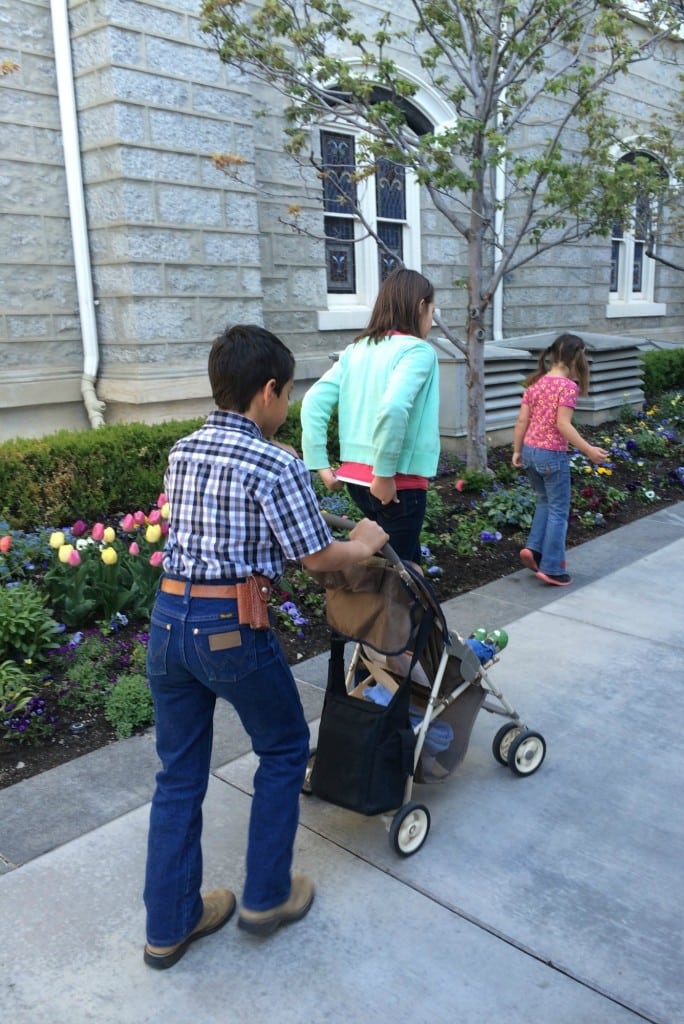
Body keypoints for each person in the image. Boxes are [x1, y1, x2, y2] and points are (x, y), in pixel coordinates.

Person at [142, 324, 388, 970]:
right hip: (229, 627)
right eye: (289, 395)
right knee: (281, 748)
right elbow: (316, 558)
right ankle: (265, 898)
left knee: (178, 775)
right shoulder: (274, 461)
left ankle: (168, 927)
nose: (288, 408)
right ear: (269, 391)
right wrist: (363, 543)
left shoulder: (183, 449)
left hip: (168, 621)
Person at [300, 268, 440, 565]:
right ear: (420, 307)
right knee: (395, 582)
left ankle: (423, 612)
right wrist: (385, 474)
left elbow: (313, 400)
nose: (432, 319)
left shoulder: (355, 350)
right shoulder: (417, 351)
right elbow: (392, 408)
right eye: (432, 311)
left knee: (404, 569)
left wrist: (321, 466)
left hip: (357, 482)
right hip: (397, 484)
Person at [511, 333, 609, 587]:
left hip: (531, 452)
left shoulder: (536, 384)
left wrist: (517, 450)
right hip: (551, 455)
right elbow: (562, 425)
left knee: (545, 501)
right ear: (577, 356)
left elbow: (522, 420)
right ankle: (553, 567)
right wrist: (589, 450)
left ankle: (534, 550)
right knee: (558, 509)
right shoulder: (567, 387)